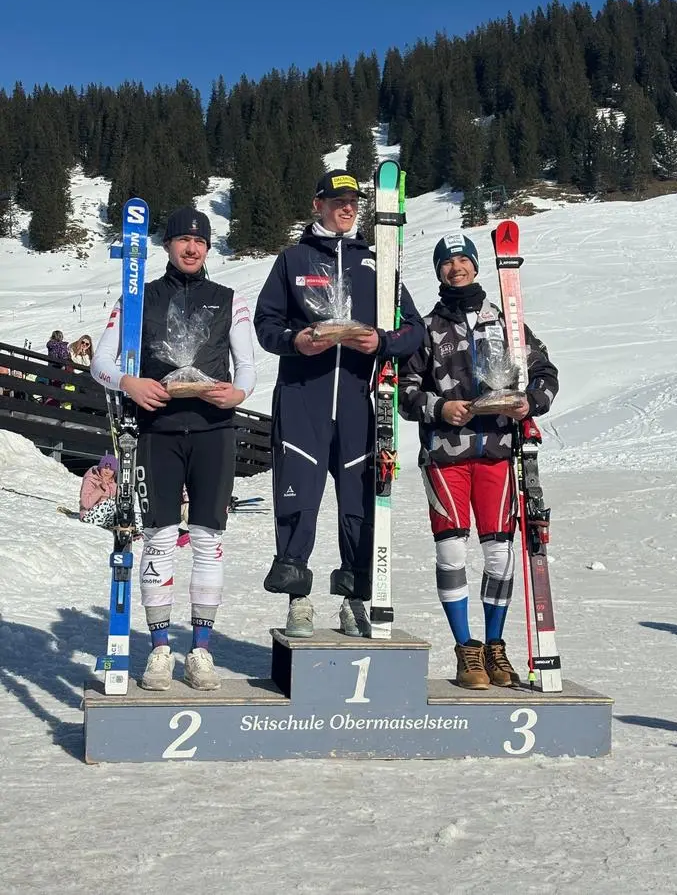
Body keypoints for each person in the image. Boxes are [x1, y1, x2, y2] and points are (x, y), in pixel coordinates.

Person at [254, 169, 424, 639]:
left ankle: (354, 599)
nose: (347, 208)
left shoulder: (377, 262)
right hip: (302, 399)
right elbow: (266, 324)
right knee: (298, 497)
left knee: (359, 502)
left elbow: (415, 329)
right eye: (337, 200)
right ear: (318, 205)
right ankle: (298, 600)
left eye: (353, 201)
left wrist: (382, 342)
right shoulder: (293, 259)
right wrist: (296, 341)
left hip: (356, 401)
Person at [91, 205, 256, 692]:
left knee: (207, 539)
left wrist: (239, 394)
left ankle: (200, 651)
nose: (191, 247)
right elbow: (101, 361)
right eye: (182, 239)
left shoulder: (229, 299)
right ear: (165, 246)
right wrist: (129, 383)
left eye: (199, 240)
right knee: (160, 537)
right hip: (156, 433)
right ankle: (160, 648)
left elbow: (247, 367)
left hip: (213, 431)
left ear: (208, 248)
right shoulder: (138, 297)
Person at [398, 233, 559, 690]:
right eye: (446, 262)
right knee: (451, 549)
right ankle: (465, 648)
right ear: (438, 271)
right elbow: (405, 388)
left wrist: (528, 403)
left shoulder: (506, 321)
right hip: (446, 455)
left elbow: (545, 373)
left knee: (498, 551)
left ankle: (494, 645)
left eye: (462, 260)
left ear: (475, 265)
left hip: (496, 452)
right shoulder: (427, 328)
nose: (455, 268)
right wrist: (437, 408)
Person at [79, 454, 119, 528]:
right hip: (89, 515)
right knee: (112, 503)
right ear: (100, 467)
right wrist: (100, 488)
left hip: (105, 516)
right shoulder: (91, 479)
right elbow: (85, 504)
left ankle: (135, 530)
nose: (107, 471)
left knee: (128, 503)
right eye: (105, 468)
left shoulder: (113, 484)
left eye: (111, 469)